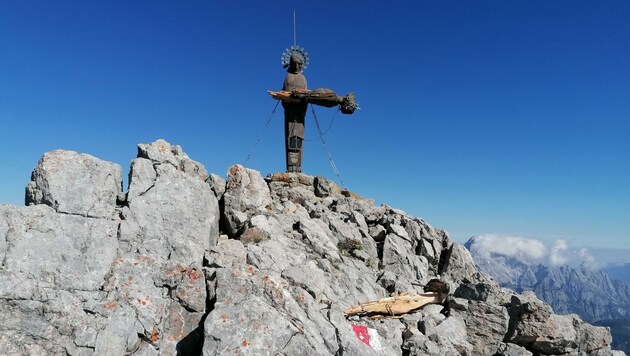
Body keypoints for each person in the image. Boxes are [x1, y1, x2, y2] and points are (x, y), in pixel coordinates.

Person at [282, 53, 308, 173]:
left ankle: (298, 167)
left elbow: (307, 95)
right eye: (294, 64)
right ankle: (291, 167)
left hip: (300, 111)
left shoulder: (303, 78)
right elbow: (283, 94)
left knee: (299, 136)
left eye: (299, 64)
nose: (297, 66)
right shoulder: (288, 77)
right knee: (290, 135)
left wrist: (301, 99)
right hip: (289, 111)